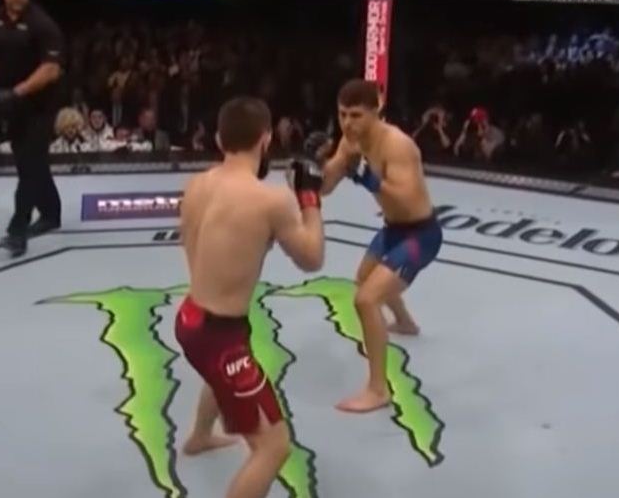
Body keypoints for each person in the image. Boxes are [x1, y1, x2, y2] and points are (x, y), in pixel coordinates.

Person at [174, 96, 325, 498]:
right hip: (218, 336)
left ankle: (199, 437)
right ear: (266, 138)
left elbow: (202, 248)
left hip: (190, 317)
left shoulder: (196, 185)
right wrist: (309, 199)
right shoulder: (270, 198)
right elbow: (312, 259)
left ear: (219, 140)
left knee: (217, 371)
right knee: (274, 448)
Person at [309, 78, 442, 413]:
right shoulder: (349, 141)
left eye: (356, 115)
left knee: (366, 299)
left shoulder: (398, 146)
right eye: (342, 114)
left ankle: (377, 390)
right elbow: (326, 186)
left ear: (376, 110)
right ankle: (406, 323)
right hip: (393, 229)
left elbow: (407, 197)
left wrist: (367, 177)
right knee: (364, 278)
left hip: (421, 234)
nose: (347, 123)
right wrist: (313, 170)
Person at [0, 0, 64, 257]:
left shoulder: (42, 23)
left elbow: (51, 69)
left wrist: (17, 92)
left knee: (30, 164)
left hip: (40, 105)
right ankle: (51, 212)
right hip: (10, 105)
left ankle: (18, 229)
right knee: (30, 162)